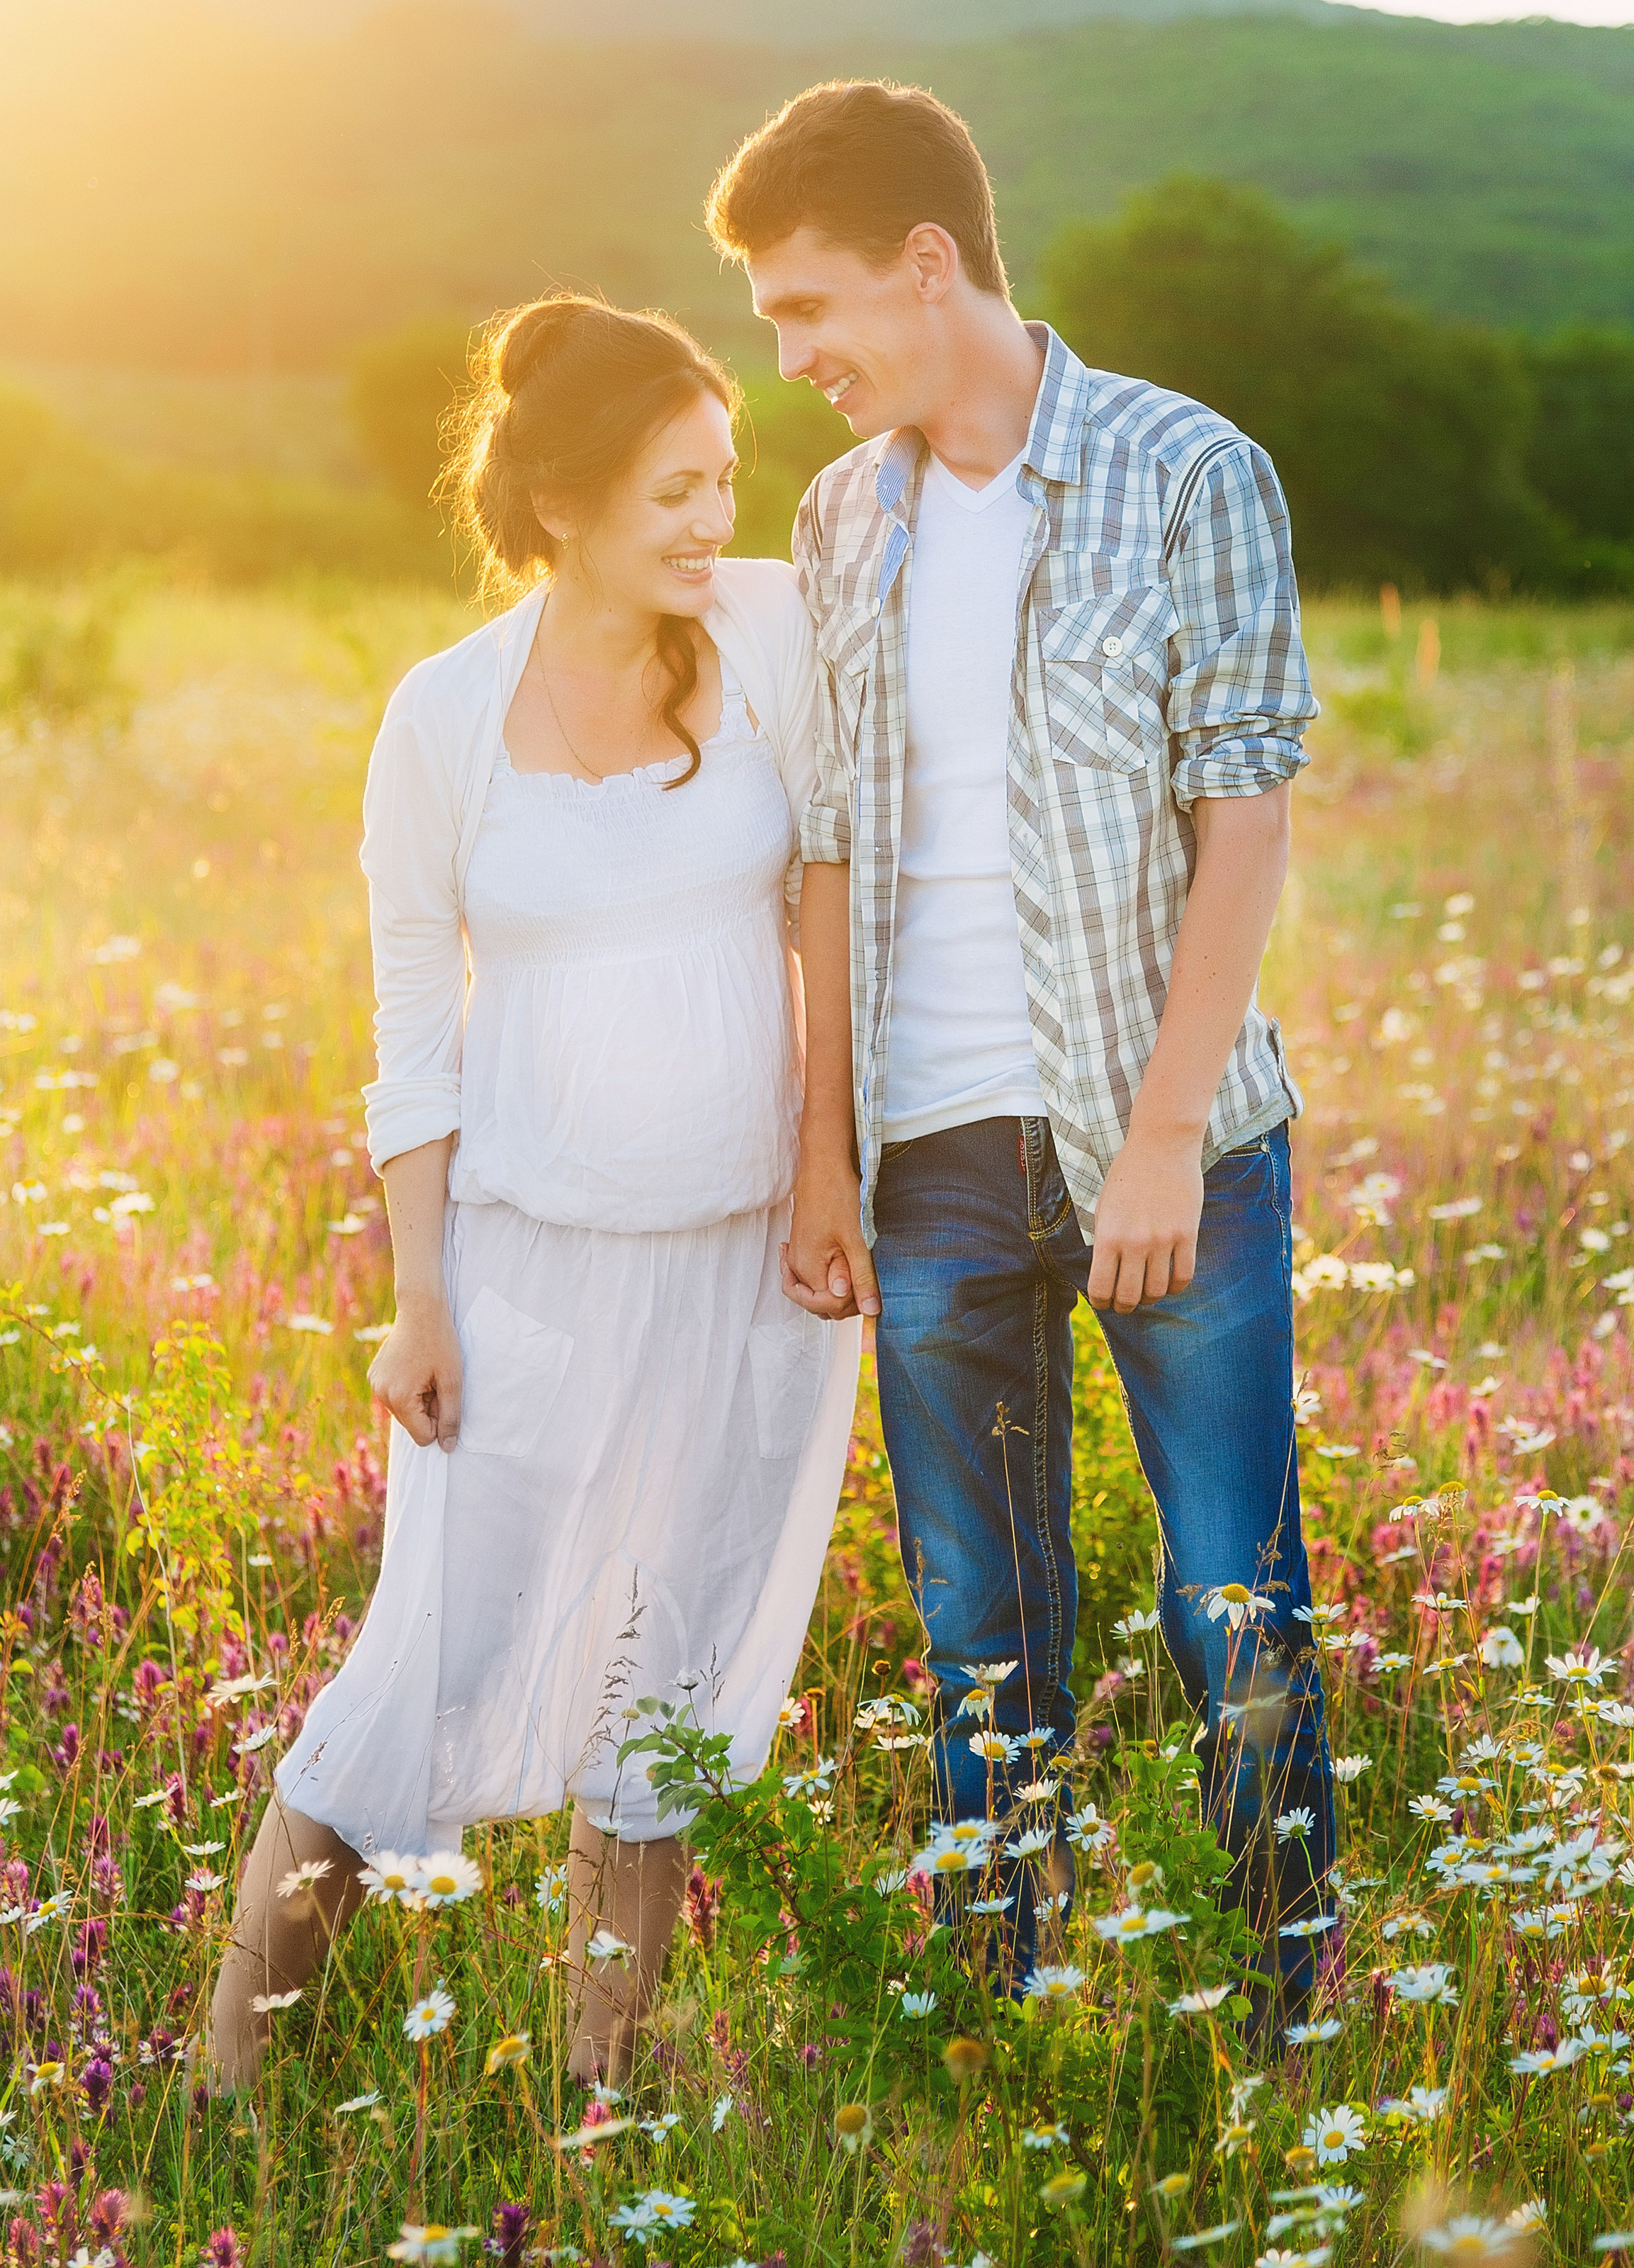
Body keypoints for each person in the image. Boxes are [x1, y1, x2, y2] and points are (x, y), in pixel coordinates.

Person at [706, 83, 1334, 2022]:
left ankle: (1304, 2008)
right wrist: (824, 1155)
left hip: (1171, 1146)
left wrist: (1153, 1141)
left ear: (927, 262)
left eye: (811, 310)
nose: (794, 360)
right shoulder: (838, 515)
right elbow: (823, 849)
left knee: (1230, 1598)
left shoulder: (1185, 469)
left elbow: (1246, 811)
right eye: (769, 328)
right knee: (982, 1630)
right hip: (926, 1156)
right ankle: (1013, 2009)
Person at [208, 294, 861, 2089]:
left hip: (742, 1269)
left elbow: (825, 887)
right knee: (428, 1658)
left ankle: (599, 2093)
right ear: (562, 501)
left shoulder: (767, 643)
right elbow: (411, 1021)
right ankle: (219, 2091)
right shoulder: (441, 719)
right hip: (526, 1270)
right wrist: (419, 1293)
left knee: (678, 1668)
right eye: (670, 490)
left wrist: (824, 1166)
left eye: (722, 480)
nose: (707, 520)